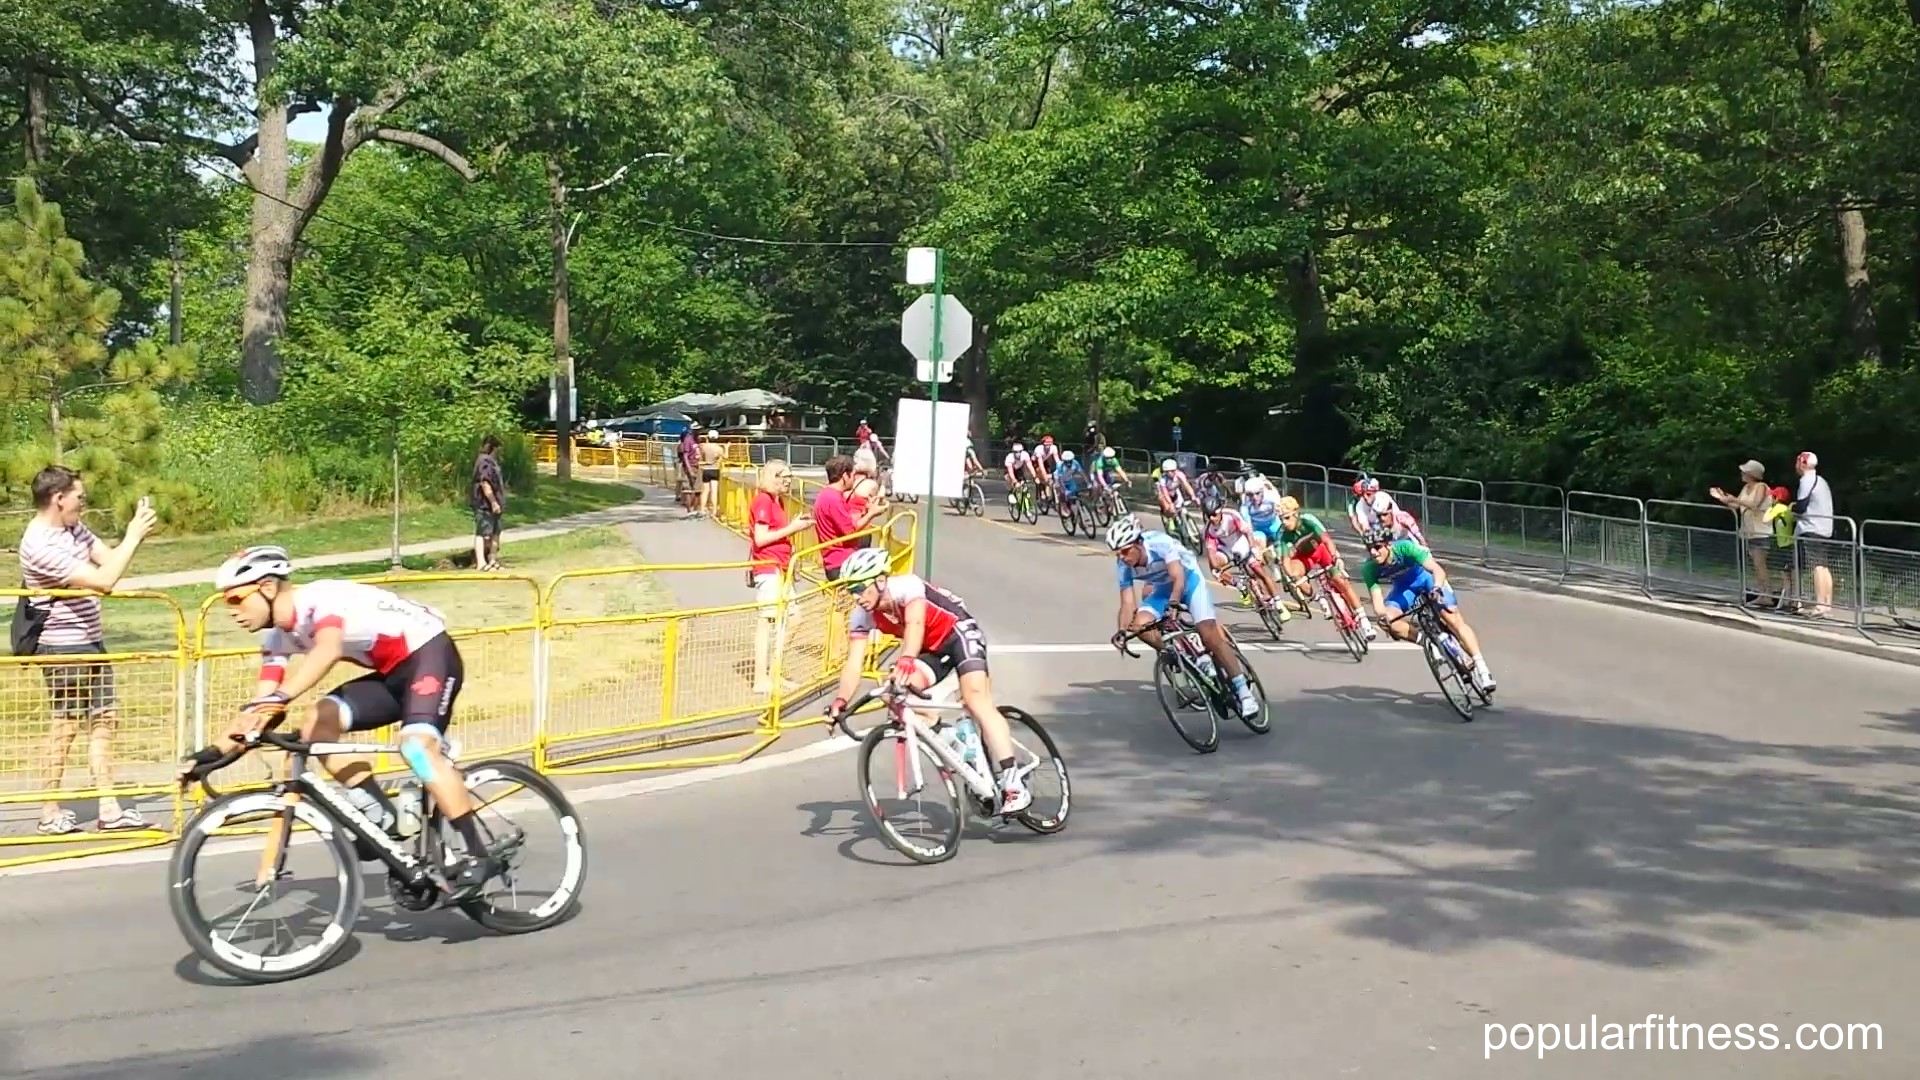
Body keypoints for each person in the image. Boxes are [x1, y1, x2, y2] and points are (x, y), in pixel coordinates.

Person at [193, 546, 498, 896]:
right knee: (315, 725)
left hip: (430, 655)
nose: (232, 611)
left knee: (416, 747)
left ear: (267, 587)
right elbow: (259, 708)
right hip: (391, 673)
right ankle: (383, 820)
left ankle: (478, 853)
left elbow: (328, 649)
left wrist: (281, 696)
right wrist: (209, 755)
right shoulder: (277, 639)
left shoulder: (321, 600)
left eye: (234, 599)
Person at [824, 548, 1032, 814]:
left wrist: (906, 659)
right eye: (850, 590)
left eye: (860, 588)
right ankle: (955, 740)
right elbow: (853, 664)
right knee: (893, 694)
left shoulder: (906, 586)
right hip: (932, 651)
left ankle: (1013, 782)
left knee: (975, 700)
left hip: (959, 634)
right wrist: (840, 702)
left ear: (879, 580)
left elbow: (916, 624)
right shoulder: (862, 615)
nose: (856, 597)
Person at [19, 465, 157, 835]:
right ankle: (49, 811)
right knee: (65, 726)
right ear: (58, 498)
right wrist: (133, 535)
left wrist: (132, 540)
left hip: (91, 641)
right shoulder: (40, 544)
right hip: (65, 647)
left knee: (104, 720)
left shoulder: (71, 527)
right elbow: (104, 581)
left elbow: (109, 560)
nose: (84, 502)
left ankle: (109, 808)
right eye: (79, 496)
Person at [1105, 516, 1261, 720]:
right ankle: (1185, 658)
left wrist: (1174, 604)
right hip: (1161, 589)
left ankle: (1244, 692)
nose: (1122, 557)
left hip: (1189, 582)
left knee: (1208, 634)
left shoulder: (1160, 544)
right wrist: (1122, 632)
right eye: (1118, 553)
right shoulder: (1123, 565)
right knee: (1139, 626)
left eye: (1125, 551)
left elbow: (1178, 578)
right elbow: (1127, 603)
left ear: (1138, 543)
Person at [1358, 527, 1495, 691]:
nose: (1373, 552)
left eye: (1377, 547)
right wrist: (1384, 617)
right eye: (1369, 548)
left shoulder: (1405, 548)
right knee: (1387, 621)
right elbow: (1378, 604)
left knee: (1452, 618)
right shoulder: (1369, 568)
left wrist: (1437, 588)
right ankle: (1429, 642)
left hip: (1426, 579)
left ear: (1388, 544)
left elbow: (1437, 570)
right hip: (1404, 589)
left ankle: (1482, 670)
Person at [748, 461, 813, 692]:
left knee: (793, 618)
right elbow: (761, 539)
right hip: (769, 567)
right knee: (767, 620)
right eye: (785, 476)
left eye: (790, 476)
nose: (788, 481)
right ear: (773, 476)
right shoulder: (763, 501)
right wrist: (793, 529)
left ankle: (774, 671)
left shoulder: (778, 501)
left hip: (781, 567)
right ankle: (761, 678)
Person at [1277, 496, 1374, 638]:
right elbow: (1285, 560)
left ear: (1296, 513)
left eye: (1286, 518)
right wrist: (1292, 577)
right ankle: (1319, 597)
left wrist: (1335, 556)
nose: (1284, 523)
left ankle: (1365, 621)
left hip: (1321, 551)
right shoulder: (1284, 534)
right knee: (1294, 575)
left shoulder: (1307, 521)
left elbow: (1326, 539)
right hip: (1305, 558)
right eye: (1281, 519)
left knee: (1340, 581)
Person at [1201, 500, 1286, 619]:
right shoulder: (1208, 530)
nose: (1211, 518)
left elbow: (1248, 533)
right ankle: (1239, 584)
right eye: (1208, 515)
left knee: (1258, 572)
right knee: (1214, 569)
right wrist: (1216, 567)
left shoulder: (1231, 516)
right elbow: (1211, 552)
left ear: (1220, 511)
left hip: (1241, 543)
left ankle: (1278, 603)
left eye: (1214, 515)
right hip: (1226, 550)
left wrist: (1253, 549)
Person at [1709, 459, 1776, 606]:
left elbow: (1754, 504)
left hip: (1761, 532)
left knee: (1760, 564)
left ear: (1751, 474)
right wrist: (1722, 498)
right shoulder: (1746, 488)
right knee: (1756, 565)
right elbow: (1736, 505)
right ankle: (1763, 593)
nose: (1742, 474)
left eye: (1744, 471)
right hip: (1749, 532)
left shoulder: (1762, 487)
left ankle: (1767, 595)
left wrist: (1735, 500)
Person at [813, 455, 884, 581]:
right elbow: (850, 530)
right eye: (853, 475)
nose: (855, 479)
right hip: (842, 561)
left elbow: (844, 522)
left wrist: (866, 511)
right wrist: (871, 514)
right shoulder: (833, 498)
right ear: (845, 476)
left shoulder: (826, 494)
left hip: (838, 560)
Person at [1347, 476, 1424, 544]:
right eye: (1362, 495)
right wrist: (1366, 535)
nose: (1365, 498)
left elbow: (1397, 517)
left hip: (1396, 528)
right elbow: (1365, 527)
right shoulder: (1359, 505)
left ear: (1375, 492)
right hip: (1378, 530)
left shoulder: (1383, 498)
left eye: (1368, 494)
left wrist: (1419, 537)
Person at [471, 436, 505, 571]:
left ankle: (492, 560)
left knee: (496, 532)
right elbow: (485, 483)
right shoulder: (484, 462)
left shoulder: (492, 462)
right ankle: (481, 563)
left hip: (495, 504)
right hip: (484, 504)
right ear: (493, 448)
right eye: (498, 449)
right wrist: (493, 502)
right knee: (483, 532)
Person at [1155, 458, 1199, 539]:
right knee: (1168, 507)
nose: (1170, 473)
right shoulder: (1163, 479)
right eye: (1167, 471)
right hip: (1164, 495)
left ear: (1175, 470)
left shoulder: (1179, 474)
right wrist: (1171, 504)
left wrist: (1193, 496)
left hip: (1175, 492)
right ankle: (1170, 519)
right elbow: (1165, 493)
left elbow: (1187, 485)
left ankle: (1185, 525)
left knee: (1181, 508)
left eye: (1172, 471)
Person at [698, 430, 725, 518]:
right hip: (715, 468)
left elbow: (701, 456)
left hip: (706, 469)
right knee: (714, 490)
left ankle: (702, 509)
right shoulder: (719, 448)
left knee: (705, 490)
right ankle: (714, 511)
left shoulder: (703, 447)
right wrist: (727, 448)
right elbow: (725, 457)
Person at [1003, 442, 1038, 510]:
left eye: (1020, 452)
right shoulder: (1009, 457)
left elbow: (1030, 466)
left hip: (1019, 469)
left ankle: (1024, 502)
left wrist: (1035, 477)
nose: (1018, 454)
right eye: (1016, 452)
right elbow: (1010, 472)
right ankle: (1011, 494)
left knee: (1023, 483)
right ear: (1013, 452)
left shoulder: (1025, 455)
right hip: (1010, 470)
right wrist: (1014, 481)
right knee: (1012, 481)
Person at [1052, 449, 1088, 516]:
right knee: (1062, 491)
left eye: (1070, 462)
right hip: (1059, 480)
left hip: (1069, 479)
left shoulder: (1075, 463)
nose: (1068, 464)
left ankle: (1073, 506)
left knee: (1073, 491)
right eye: (1066, 462)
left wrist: (1088, 482)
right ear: (1063, 461)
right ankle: (1063, 506)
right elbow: (1060, 480)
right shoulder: (1060, 466)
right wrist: (1064, 490)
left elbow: (1082, 473)